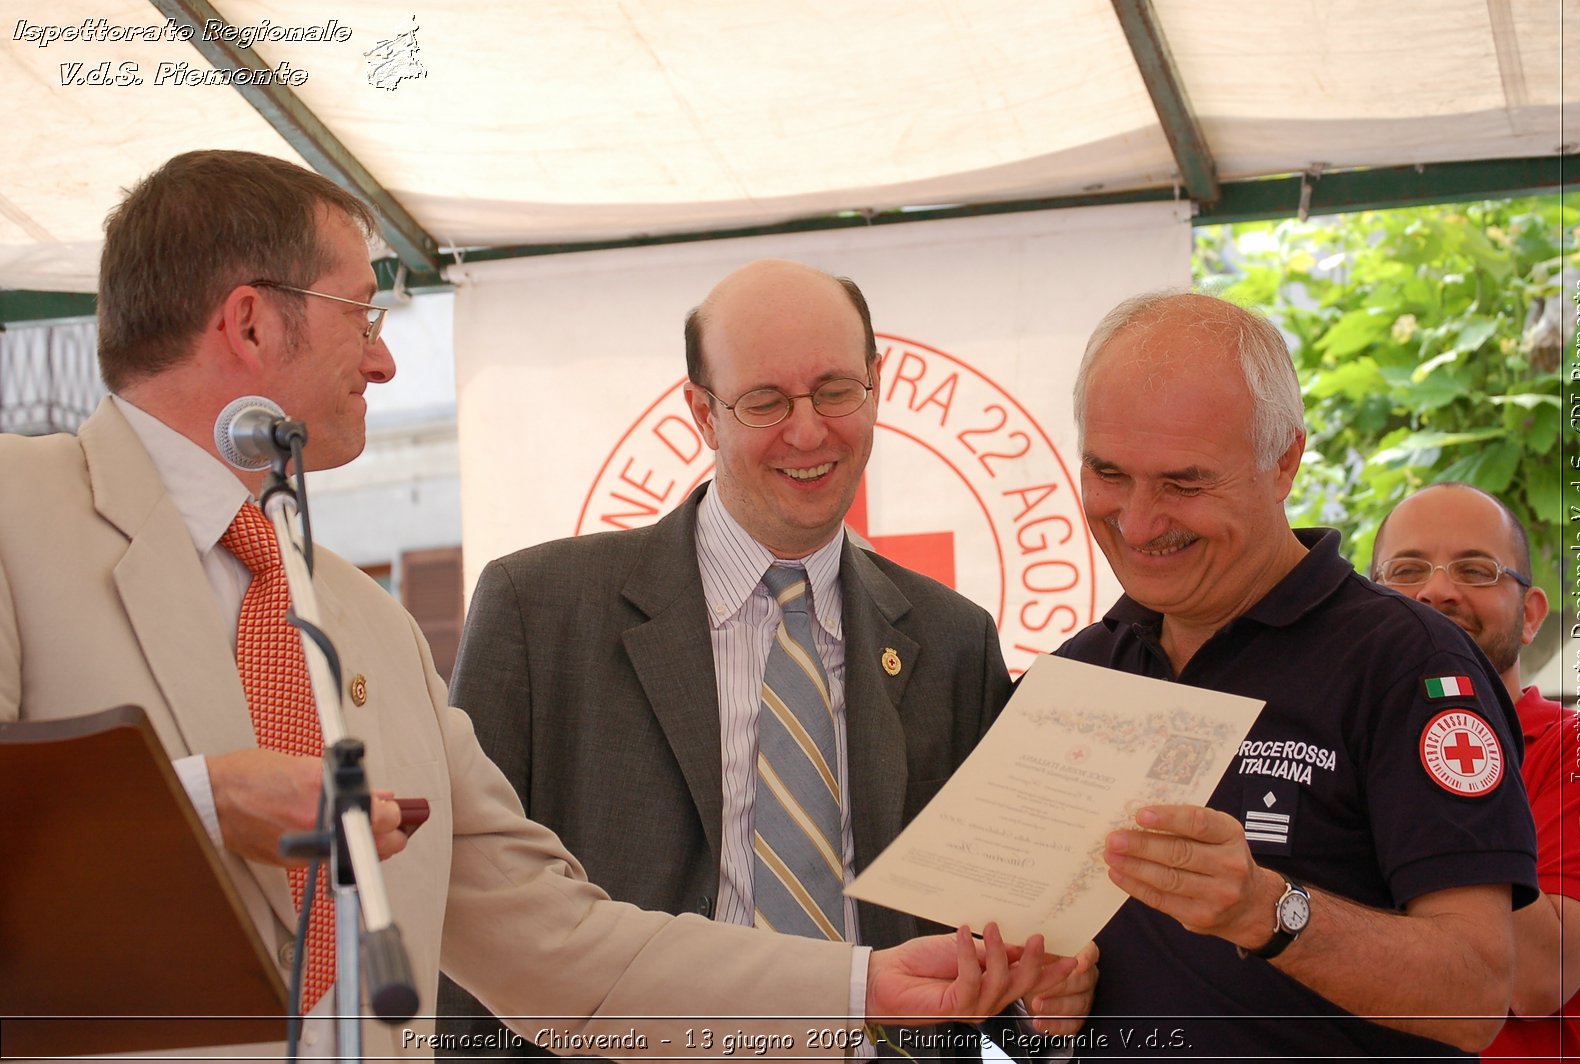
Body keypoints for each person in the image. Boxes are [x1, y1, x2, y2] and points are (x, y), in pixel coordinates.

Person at [0, 150, 1085, 1058]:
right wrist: (191, 800)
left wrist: (865, 985)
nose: (380, 357)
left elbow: (567, 951)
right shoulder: (16, 514)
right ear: (247, 321)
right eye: (361, 311)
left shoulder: (368, 629)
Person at [437, 258, 1090, 1057]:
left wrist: (1045, 1012)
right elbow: (466, 925)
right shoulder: (539, 612)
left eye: (836, 390)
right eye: (766, 402)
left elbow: (993, 956)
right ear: (701, 414)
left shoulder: (954, 641)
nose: (809, 432)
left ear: (876, 384)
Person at [1050, 291, 1540, 1057]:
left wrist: (1267, 910)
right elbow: (1027, 989)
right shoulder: (1076, 673)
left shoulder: (1409, 663)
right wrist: (1035, 1008)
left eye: (1183, 483)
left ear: (1284, 463)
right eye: (1109, 473)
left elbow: (1475, 995)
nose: (1138, 522)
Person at [1373, 483, 1580, 1061]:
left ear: (1530, 616)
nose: (1437, 591)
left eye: (1475, 571)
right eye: (1406, 570)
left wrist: (1447, 740)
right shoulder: (1342, 751)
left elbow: (1541, 981)